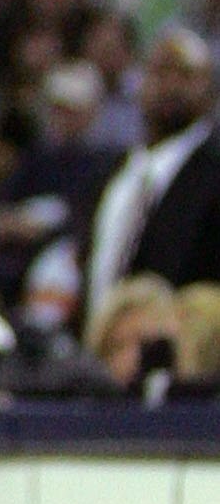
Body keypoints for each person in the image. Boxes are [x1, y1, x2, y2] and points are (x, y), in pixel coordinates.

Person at [85, 25, 220, 318]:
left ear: (209, 89)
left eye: (185, 74)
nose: (170, 84)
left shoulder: (213, 174)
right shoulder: (116, 170)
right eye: (159, 71)